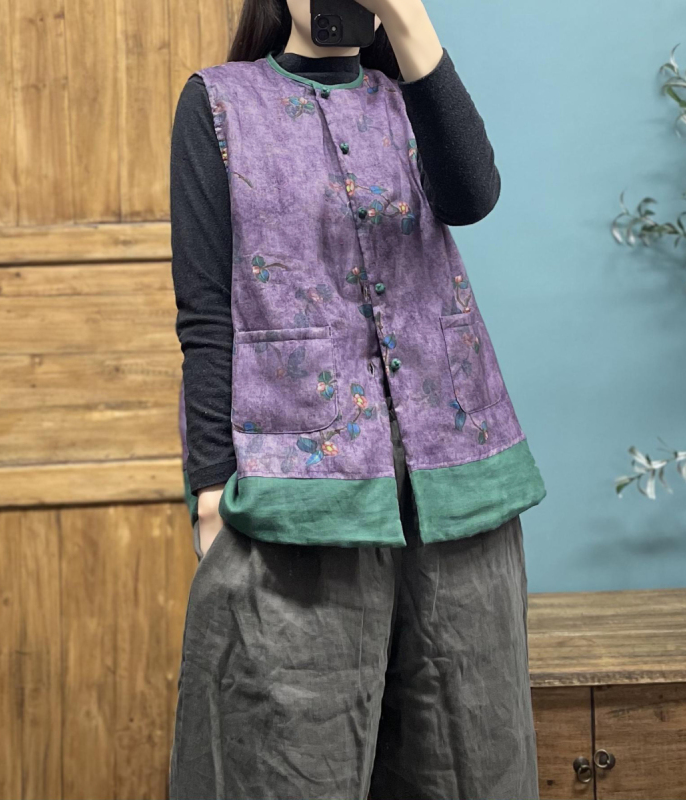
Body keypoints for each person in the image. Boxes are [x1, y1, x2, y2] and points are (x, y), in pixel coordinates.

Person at [169, 0, 547, 797]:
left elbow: (473, 194)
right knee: (286, 766)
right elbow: (205, 312)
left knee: (469, 766)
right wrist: (207, 492)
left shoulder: (416, 94)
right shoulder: (218, 103)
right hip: (297, 503)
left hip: (458, 500)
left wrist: (406, 17)